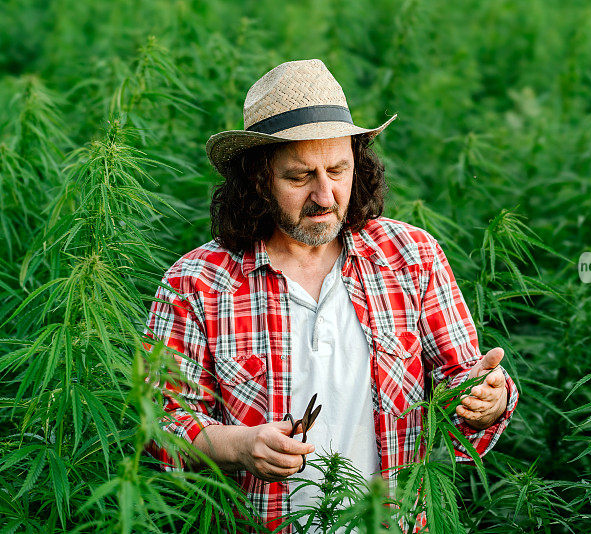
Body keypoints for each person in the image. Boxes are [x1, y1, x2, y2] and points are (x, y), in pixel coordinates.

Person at [145, 59, 519, 532]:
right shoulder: (196, 282)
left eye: (338, 170)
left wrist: (487, 400)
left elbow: (461, 377)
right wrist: (239, 445)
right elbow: (158, 424)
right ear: (257, 179)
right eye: (300, 177)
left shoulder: (411, 256)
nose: (326, 195)